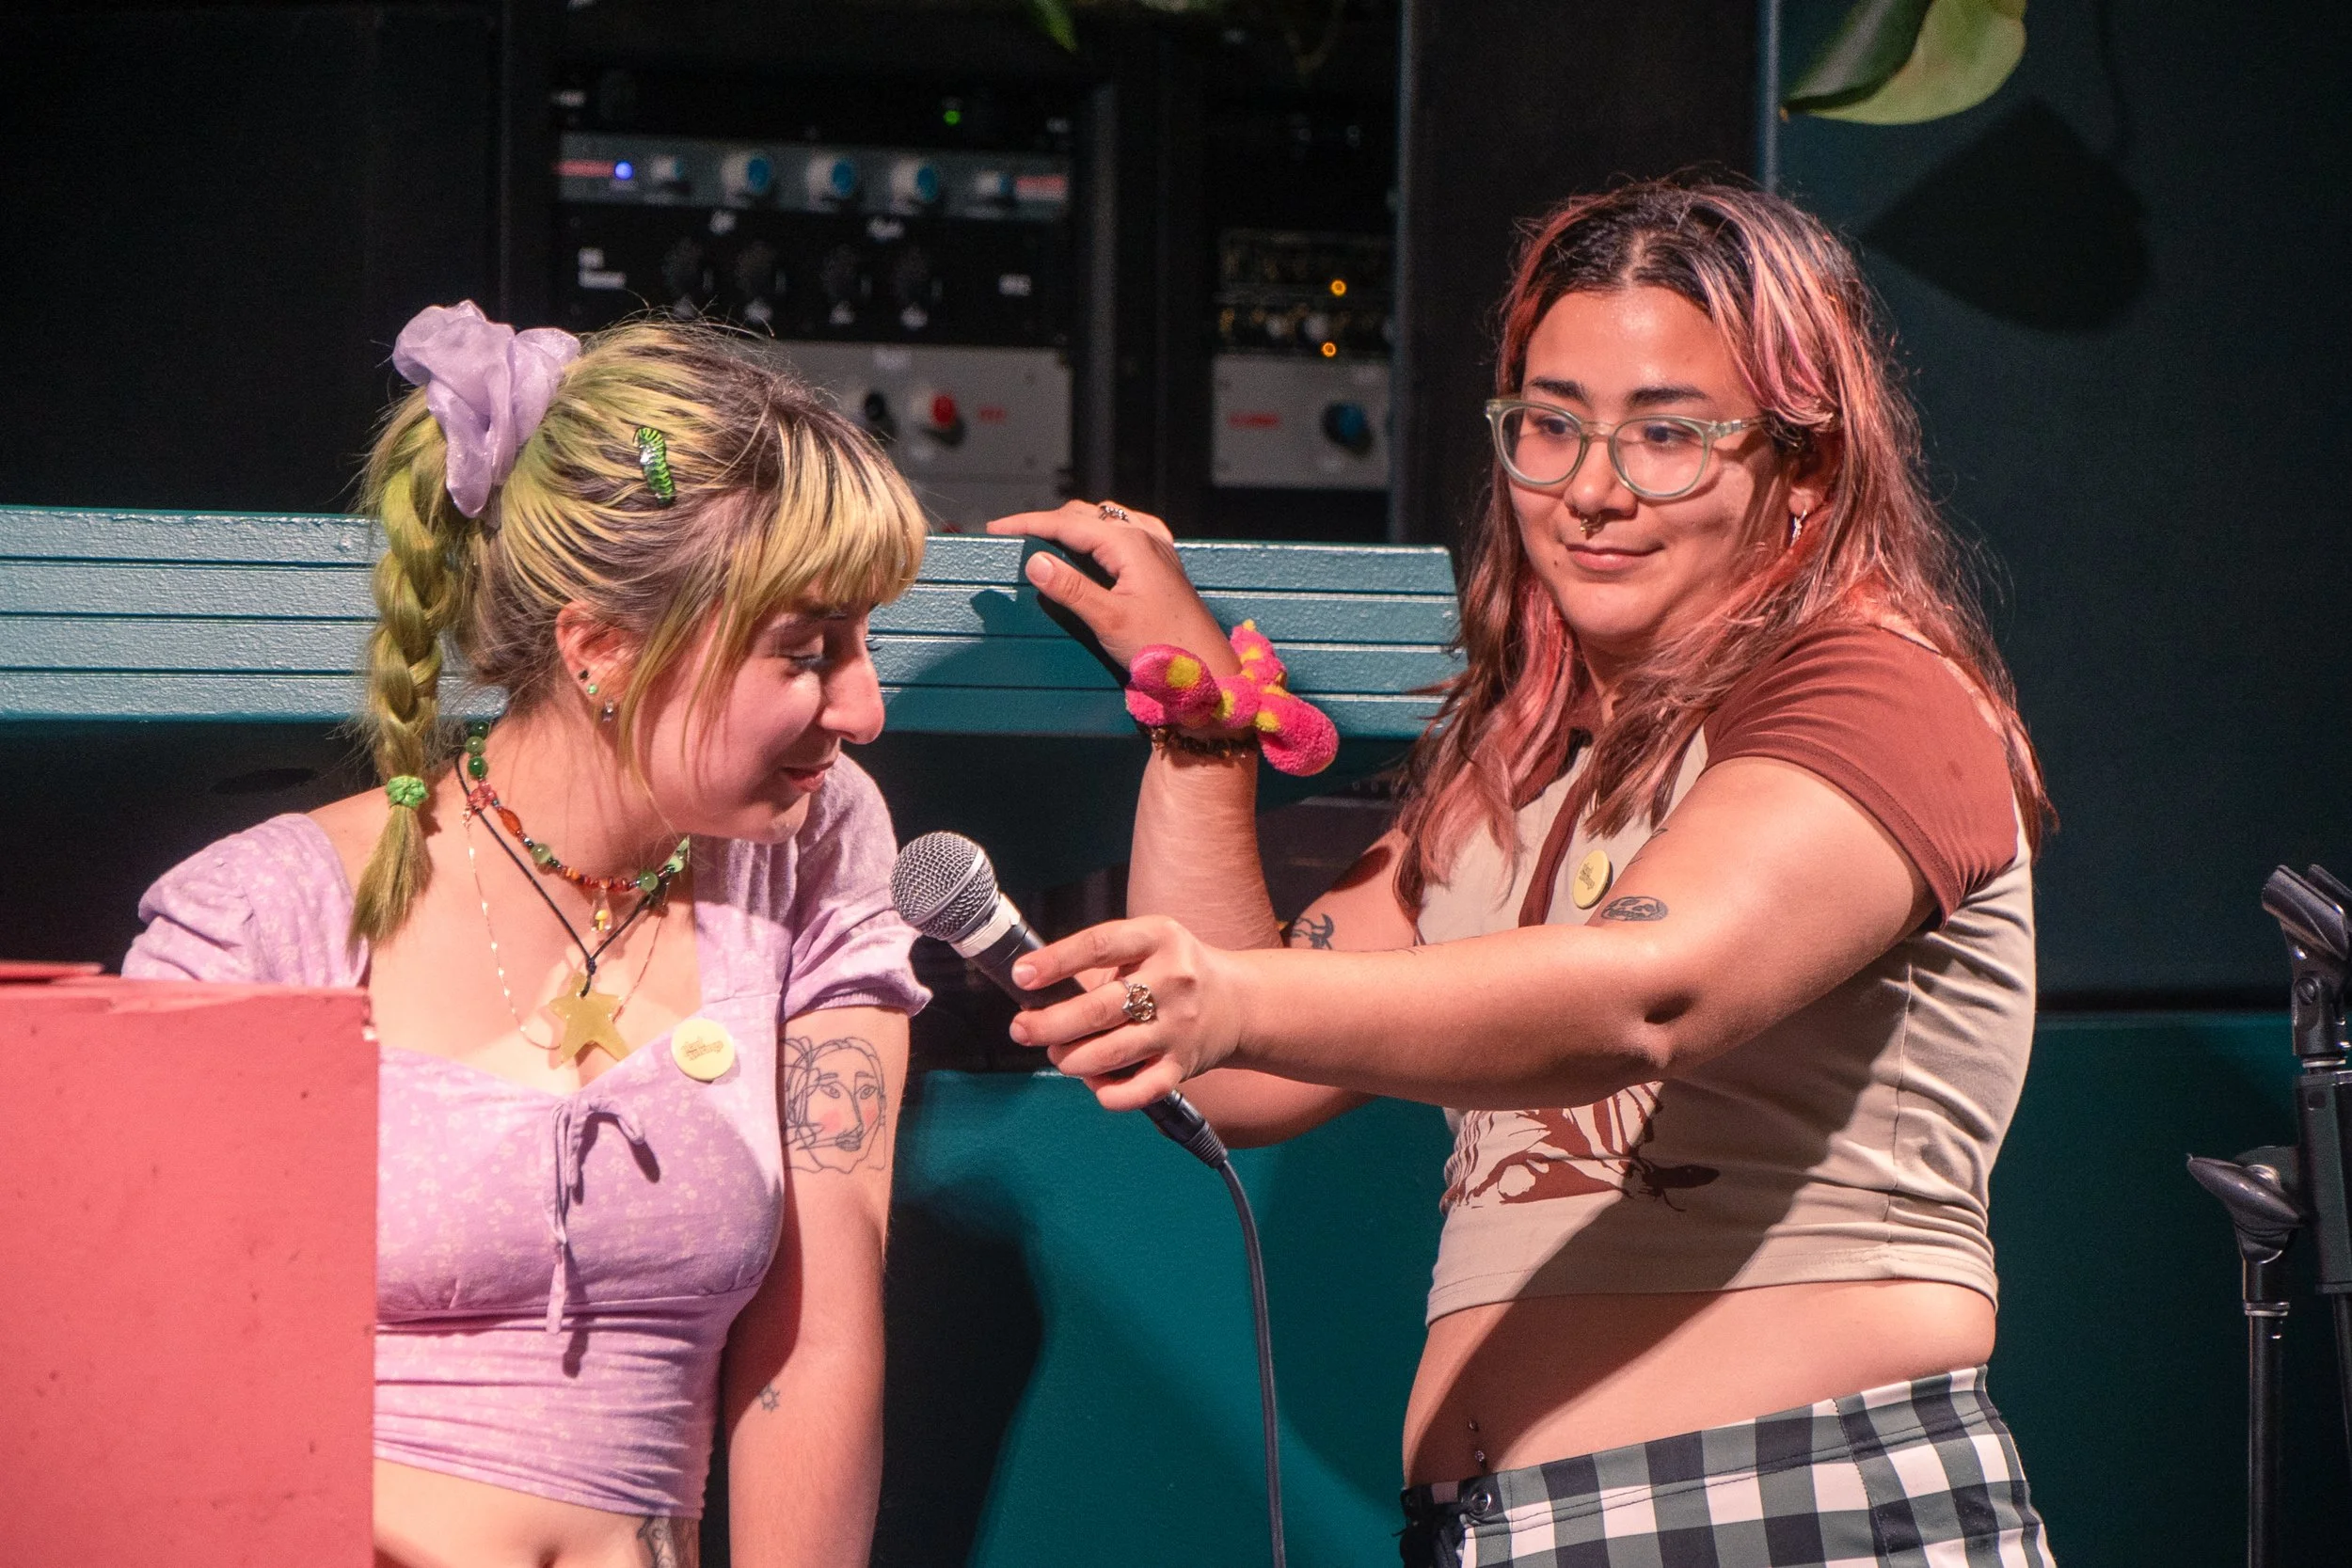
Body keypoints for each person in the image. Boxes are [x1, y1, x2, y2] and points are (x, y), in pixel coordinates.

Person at [991, 181, 2058, 1565]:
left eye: (1668, 435)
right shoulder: (1520, 759)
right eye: (1551, 426)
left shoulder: (1875, 693)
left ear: (1803, 463)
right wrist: (1203, 736)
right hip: (1501, 1529)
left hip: (1798, 1507)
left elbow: (1651, 990)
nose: (1593, 489)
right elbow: (1242, 1079)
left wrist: (1227, 1000)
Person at [123, 304, 930, 1568]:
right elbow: (138, 1396)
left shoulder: (814, 847)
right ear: (603, 648)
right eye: (810, 649)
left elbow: (819, 1338)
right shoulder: (255, 921)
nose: (865, 706)